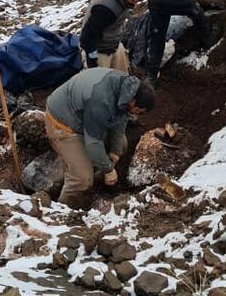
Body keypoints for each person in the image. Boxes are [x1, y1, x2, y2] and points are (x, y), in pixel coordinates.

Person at [44, 67, 155, 208]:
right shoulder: (102, 99)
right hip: (64, 123)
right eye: (139, 111)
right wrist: (108, 170)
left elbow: (120, 121)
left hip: (84, 118)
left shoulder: (126, 90)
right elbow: (93, 141)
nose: (137, 115)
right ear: (133, 101)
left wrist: (115, 152)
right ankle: (62, 214)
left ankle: (95, 176)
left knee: (122, 145)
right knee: (82, 180)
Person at [79, 0, 148, 73]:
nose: (135, 4)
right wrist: (93, 60)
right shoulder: (106, 10)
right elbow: (87, 38)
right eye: (133, 0)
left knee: (122, 77)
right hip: (99, 49)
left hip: (113, 43)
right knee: (101, 83)